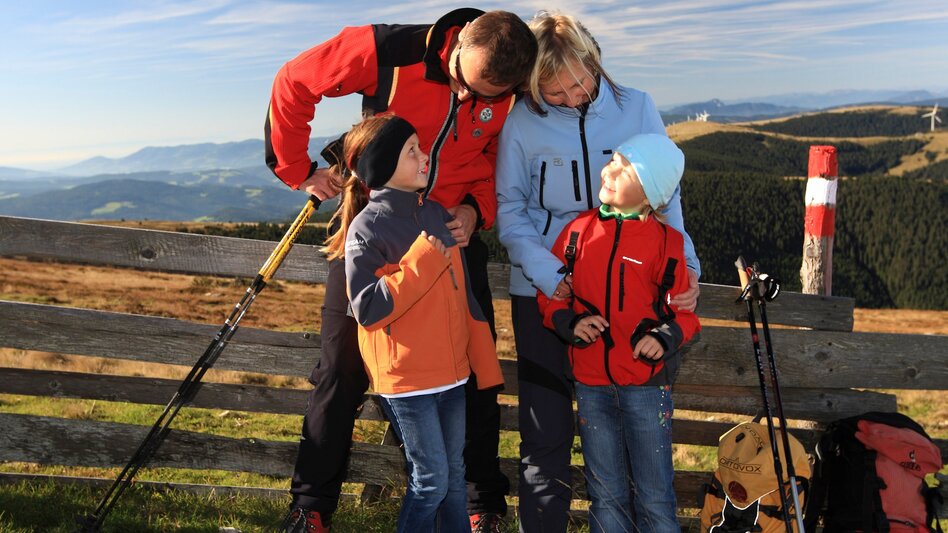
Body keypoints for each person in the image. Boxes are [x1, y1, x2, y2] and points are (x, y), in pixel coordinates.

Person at [266, 8, 537, 532]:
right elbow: (294, 81)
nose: (465, 98)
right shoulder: (388, 50)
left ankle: (483, 506)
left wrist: (475, 210)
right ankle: (311, 509)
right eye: (463, 81)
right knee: (340, 369)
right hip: (370, 229)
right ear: (457, 45)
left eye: (484, 96)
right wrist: (298, 169)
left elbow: (498, 163)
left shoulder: (511, 94)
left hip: (451, 239)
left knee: (475, 366)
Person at [494, 12, 700, 532]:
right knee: (545, 435)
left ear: (594, 61)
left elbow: (665, 197)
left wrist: (687, 269)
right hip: (546, 296)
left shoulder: (638, 106)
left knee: (635, 434)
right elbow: (511, 211)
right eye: (552, 92)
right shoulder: (521, 119)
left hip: (633, 296)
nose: (570, 98)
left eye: (576, 84)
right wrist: (546, 273)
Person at [340, 114, 504, 533]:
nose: (424, 156)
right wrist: (419, 262)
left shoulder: (434, 213)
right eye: (411, 150)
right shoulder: (367, 228)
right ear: (382, 165)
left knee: (451, 479)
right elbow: (367, 308)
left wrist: (480, 359)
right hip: (407, 381)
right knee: (431, 483)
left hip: (451, 377)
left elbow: (461, 297)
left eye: (421, 147)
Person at [538, 133, 700, 533]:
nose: (609, 171)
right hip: (591, 386)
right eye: (614, 161)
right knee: (605, 493)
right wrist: (569, 323)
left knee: (655, 495)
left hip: (646, 388)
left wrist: (664, 338)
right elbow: (553, 298)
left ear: (651, 195)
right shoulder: (577, 233)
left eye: (626, 169)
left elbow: (687, 316)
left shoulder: (668, 244)